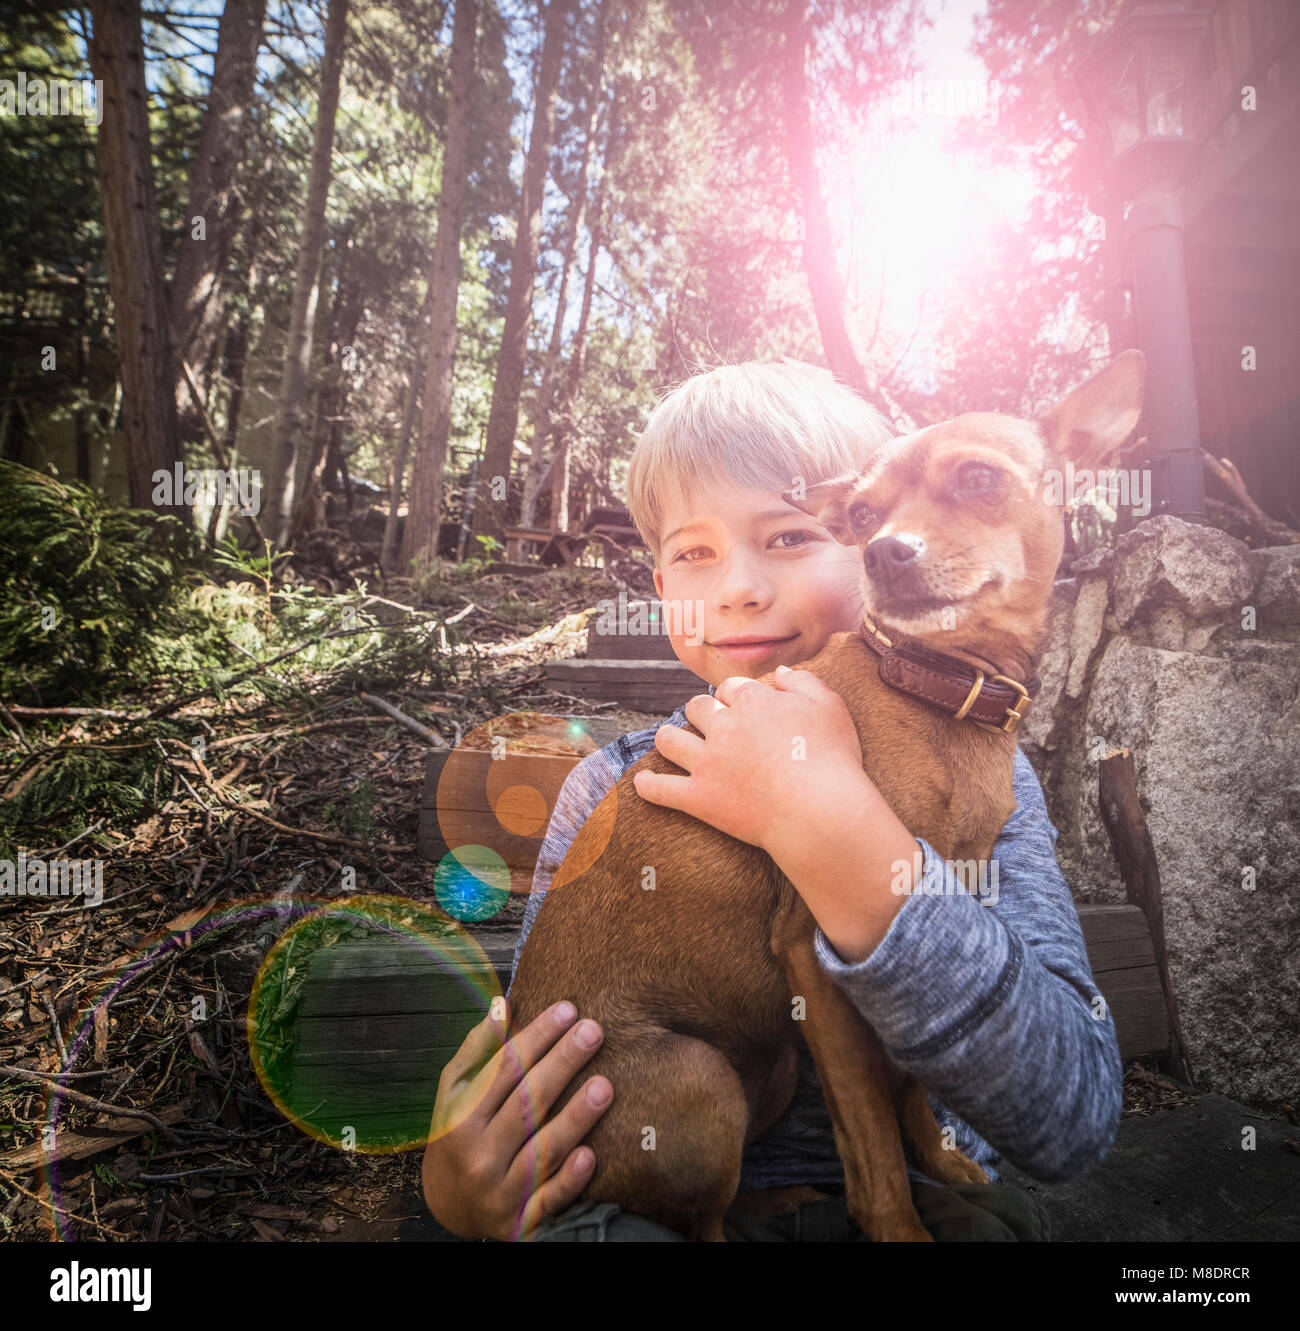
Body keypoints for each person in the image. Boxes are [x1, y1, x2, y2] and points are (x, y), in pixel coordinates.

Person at [421, 360, 1120, 1242]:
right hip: (651, 1153)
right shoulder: (624, 778)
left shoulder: (995, 774)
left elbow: (1077, 1112)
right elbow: (552, 1052)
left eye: (792, 537)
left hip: (902, 1177)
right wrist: (457, 1185)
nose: (740, 586)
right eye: (693, 551)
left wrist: (843, 838)